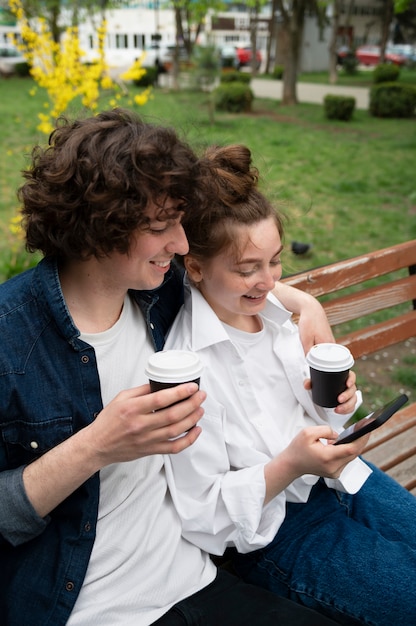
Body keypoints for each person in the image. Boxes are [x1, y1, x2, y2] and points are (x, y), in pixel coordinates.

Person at [0, 109, 341, 626]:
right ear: (96, 230)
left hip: (194, 576)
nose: (182, 245)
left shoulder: (157, 294)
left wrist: (306, 305)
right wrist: (97, 445)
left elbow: (228, 277)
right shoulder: (11, 338)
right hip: (86, 606)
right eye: (160, 227)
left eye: (179, 222)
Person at [164, 143, 416, 626]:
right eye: (247, 269)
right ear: (194, 267)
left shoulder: (281, 318)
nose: (266, 281)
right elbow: (202, 514)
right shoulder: (189, 367)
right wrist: (290, 464)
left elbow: (320, 415)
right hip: (279, 528)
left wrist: (341, 403)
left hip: (345, 479)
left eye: (275, 262)